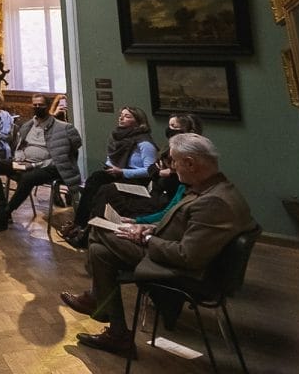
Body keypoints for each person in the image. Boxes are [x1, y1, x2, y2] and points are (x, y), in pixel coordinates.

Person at [60, 133, 255, 359]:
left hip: (189, 272)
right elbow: (186, 227)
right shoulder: (212, 189)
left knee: (99, 231)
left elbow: (187, 256)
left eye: (174, 161)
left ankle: (100, 305)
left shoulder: (214, 201)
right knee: (99, 251)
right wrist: (150, 229)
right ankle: (116, 331)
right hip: (177, 252)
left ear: (190, 163)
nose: (171, 167)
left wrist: (146, 239)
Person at [63, 114, 201, 247]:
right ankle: (86, 229)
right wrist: (160, 172)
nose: (169, 129)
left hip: (155, 194)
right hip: (155, 189)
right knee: (101, 184)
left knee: (107, 191)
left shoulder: (173, 154)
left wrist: (165, 173)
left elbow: (150, 172)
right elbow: (153, 169)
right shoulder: (168, 148)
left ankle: (89, 233)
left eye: (173, 126)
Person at [0, 93, 82, 232]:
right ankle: (2, 207)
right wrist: (19, 157)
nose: (37, 107)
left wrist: (34, 165)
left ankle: (5, 214)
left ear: (47, 107)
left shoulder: (64, 128)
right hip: (24, 162)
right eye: (34, 105)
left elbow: (64, 156)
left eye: (40, 105)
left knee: (28, 178)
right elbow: (19, 146)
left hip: (48, 166)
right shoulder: (28, 125)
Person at [63, 107, 157, 242]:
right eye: (121, 115)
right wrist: (110, 166)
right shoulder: (118, 137)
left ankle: (86, 231)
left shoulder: (145, 143)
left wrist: (123, 171)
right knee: (95, 178)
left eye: (127, 116)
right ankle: (80, 223)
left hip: (136, 180)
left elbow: (150, 170)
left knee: (104, 191)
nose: (122, 118)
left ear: (138, 121)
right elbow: (112, 157)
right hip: (118, 173)